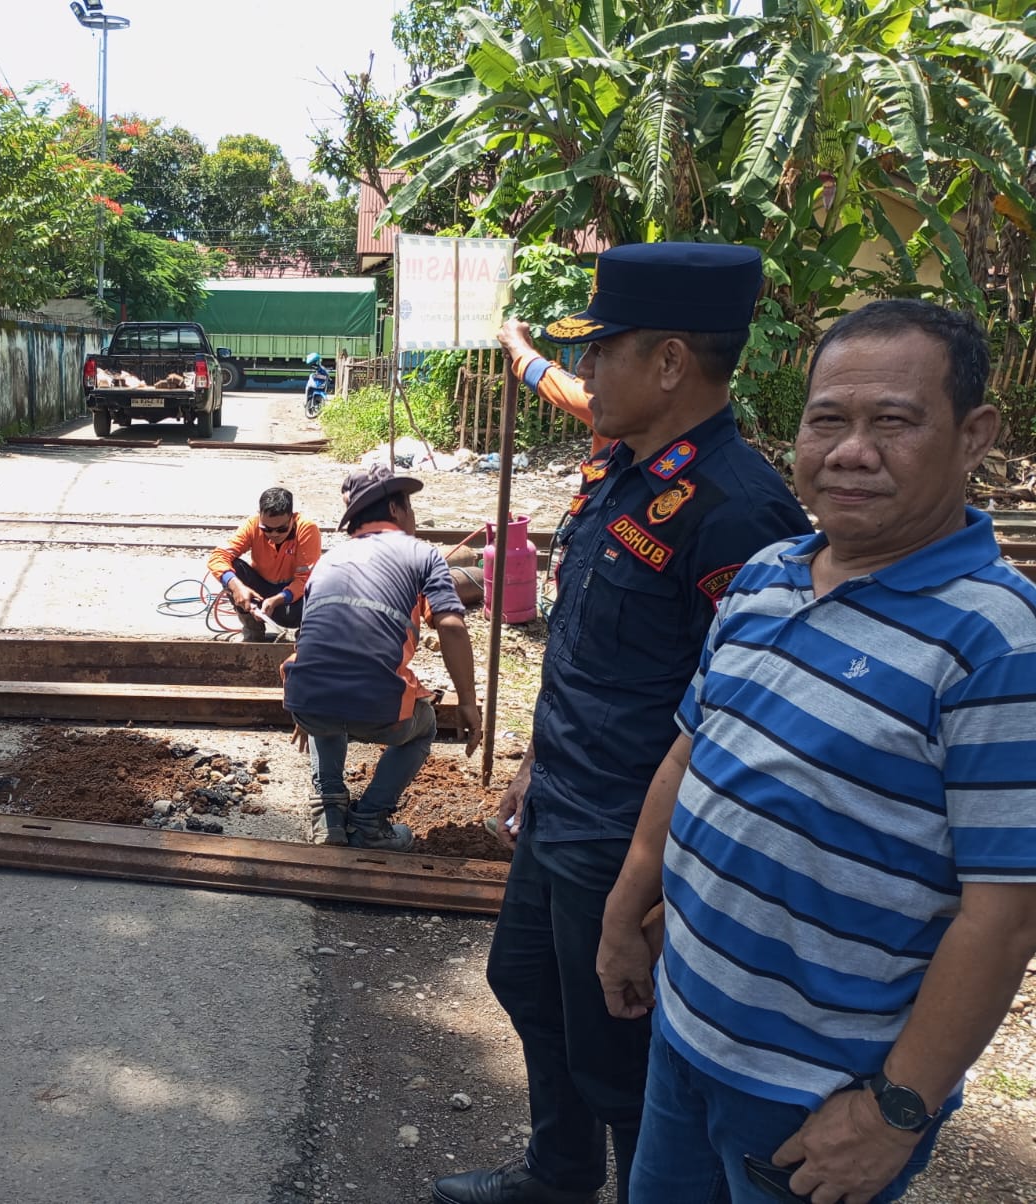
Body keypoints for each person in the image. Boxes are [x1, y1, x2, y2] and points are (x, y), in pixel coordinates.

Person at [595, 299, 1036, 1204]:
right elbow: (689, 759)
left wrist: (897, 1111)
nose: (850, 452)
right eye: (827, 419)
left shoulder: (998, 644)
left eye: (895, 422)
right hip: (687, 1032)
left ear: (975, 433)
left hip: (818, 1094)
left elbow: (1006, 915)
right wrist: (625, 913)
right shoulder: (767, 576)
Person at [435, 243, 812, 1204]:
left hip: (626, 839)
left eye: (603, 349)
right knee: (525, 986)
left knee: (626, 1058)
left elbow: (738, 724)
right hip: (561, 803)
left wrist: (650, 894)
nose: (589, 369)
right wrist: (528, 758)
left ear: (672, 362)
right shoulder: (624, 472)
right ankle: (558, 1176)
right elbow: (587, 655)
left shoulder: (738, 514)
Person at [283, 463, 482, 849]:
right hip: (378, 711)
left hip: (305, 697)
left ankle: (329, 816)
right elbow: (452, 626)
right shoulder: (422, 554)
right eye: (410, 506)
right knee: (422, 726)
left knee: (327, 710)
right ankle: (369, 822)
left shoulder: (328, 561)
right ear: (395, 509)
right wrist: (469, 703)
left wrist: (303, 707)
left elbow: (311, 639)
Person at [207, 486, 322, 642]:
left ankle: (307, 638)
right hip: (260, 594)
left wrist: (278, 599)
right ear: (259, 516)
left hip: (294, 600)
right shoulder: (252, 524)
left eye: (281, 529)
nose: (274, 534)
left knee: (323, 585)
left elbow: (305, 579)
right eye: (266, 528)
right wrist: (237, 587)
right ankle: (253, 632)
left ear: (292, 518)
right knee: (233, 567)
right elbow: (218, 557)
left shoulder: (307, 529)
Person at [496, 319, 612, 458]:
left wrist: (517, 345)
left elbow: (553, 383)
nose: (581, 367)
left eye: (604, 351)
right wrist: (522, 349)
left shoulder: (611, 406)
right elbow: (567, 382)